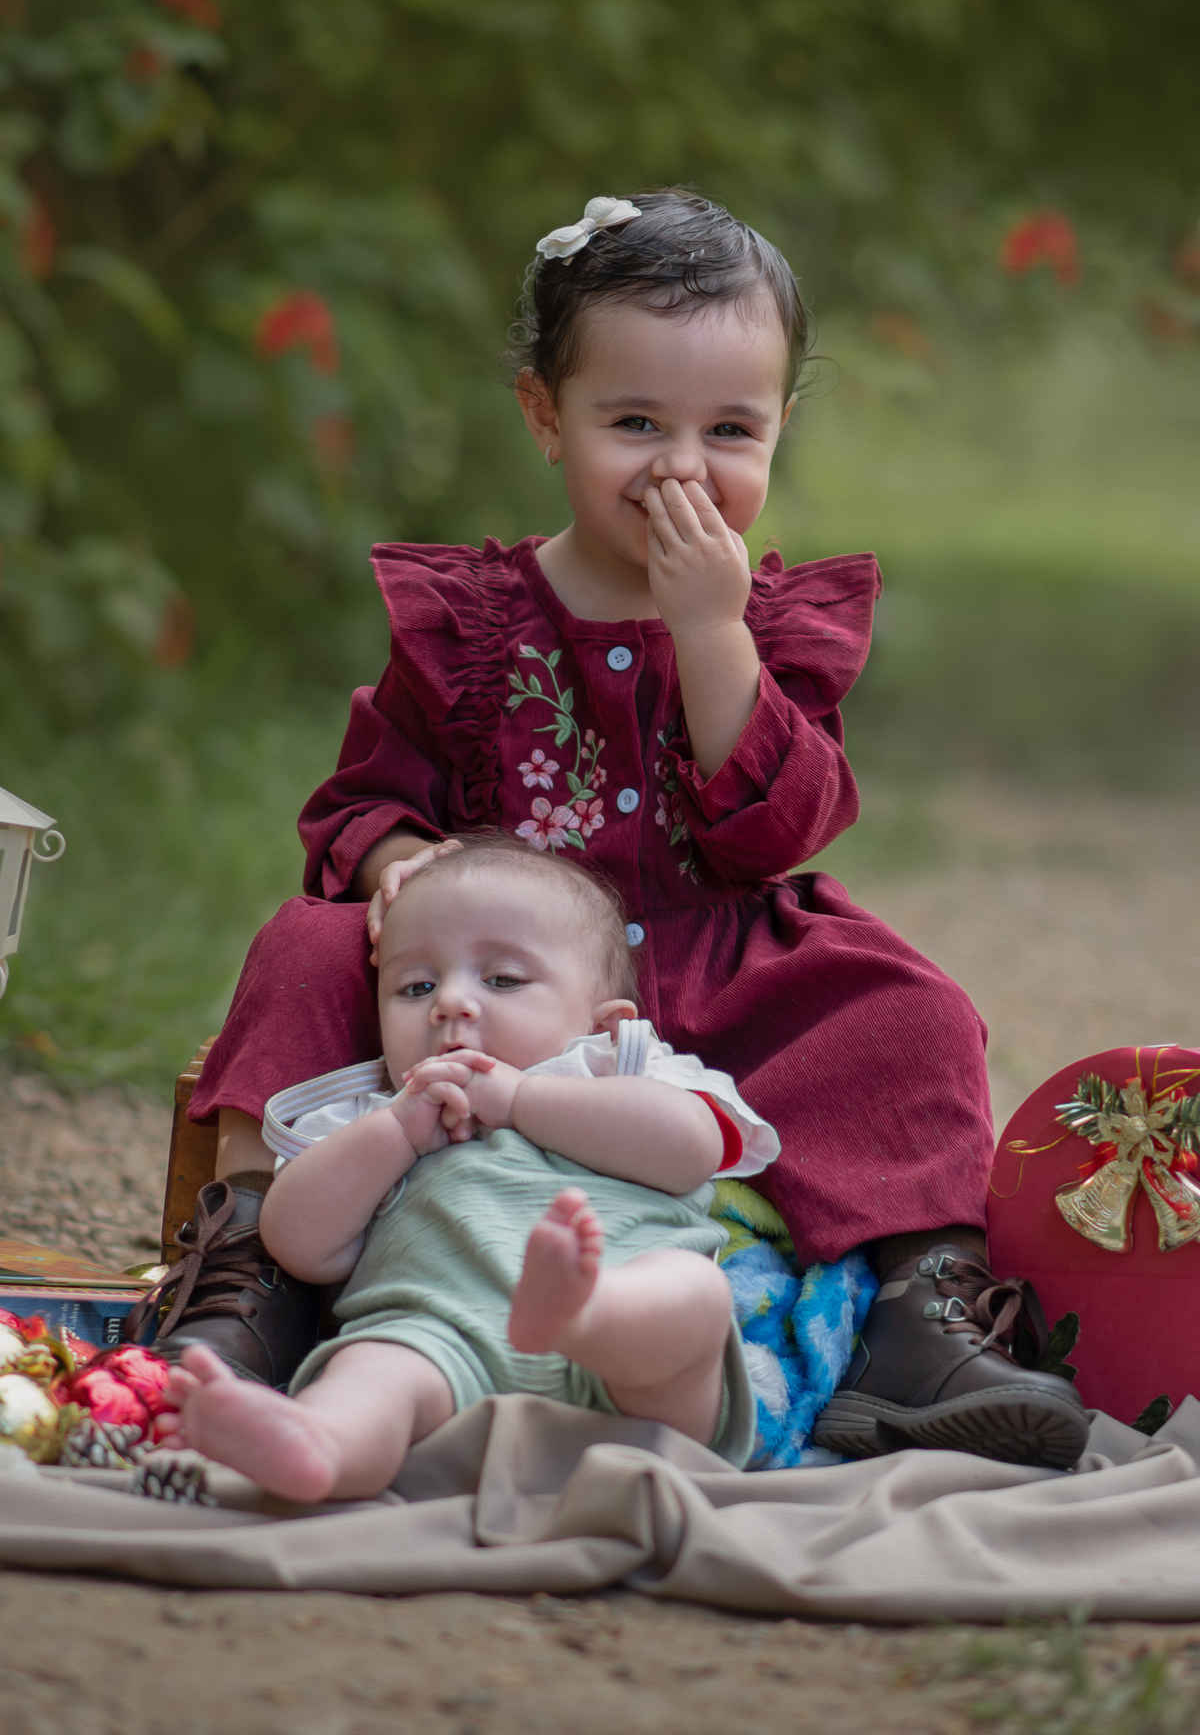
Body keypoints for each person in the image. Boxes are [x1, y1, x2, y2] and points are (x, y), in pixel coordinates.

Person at [140, 188, 1087, 1469]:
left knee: (906, 1009)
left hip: (718, 975)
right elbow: (363, 796)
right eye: (635, 422)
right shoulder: (476, 624)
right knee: (305, 945)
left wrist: (713, 632)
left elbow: (779, 831)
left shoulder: (772, 623)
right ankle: (252, 1281)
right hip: (498, 983)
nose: (682, 467)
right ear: (546, 416)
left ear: (780, 428)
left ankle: (916, 1319)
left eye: (730, 429)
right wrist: (399, 861)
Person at [159, 837, 775, 1499]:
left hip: (634, 1375)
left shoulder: (615, 1068)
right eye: (416, 986)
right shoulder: (377, 1112)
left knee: (691, 1291)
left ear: (606, 1024)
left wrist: (521, 1100)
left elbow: (692, 1148)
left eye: (503, 980)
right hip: (443, 1346)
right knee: (375, 1370)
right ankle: (318, 1447)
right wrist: (396, 1132)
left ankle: (585, 1314)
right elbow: (298, 1242)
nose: (449, 1002)